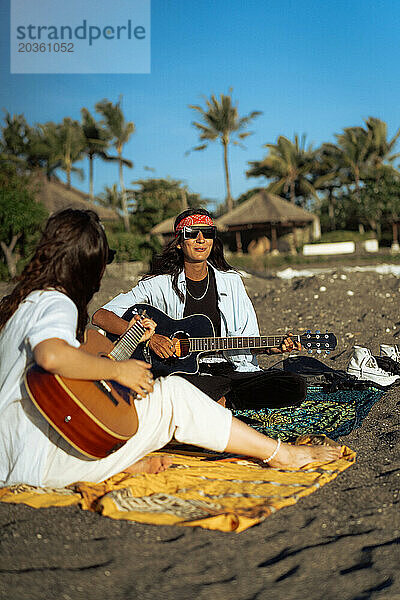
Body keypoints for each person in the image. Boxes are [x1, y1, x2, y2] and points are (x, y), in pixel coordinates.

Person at [0, 209, 341, 488]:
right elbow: (52, 355)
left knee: (285, 384)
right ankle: (282, 455)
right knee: (175, 392)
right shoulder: (60, 302)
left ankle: (129, 459)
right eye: (105, 260)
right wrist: (120, 368)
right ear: (88, 261)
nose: (103, 273)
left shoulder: (24, 301)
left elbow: (55, 368)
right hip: (38, 458)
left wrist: (137, 336)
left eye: (207, 233)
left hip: (20, 451)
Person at [93, 208, 306, 411]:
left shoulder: (231, 282)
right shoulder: (158, 284)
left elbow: (247, 339)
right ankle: (212, 402)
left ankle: (219, 403)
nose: (201, 239)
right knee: (175, 387)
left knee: (293, 385)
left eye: (208, 233)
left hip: (226, 369)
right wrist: (150, 339)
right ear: (178, 242)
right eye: (192, 233)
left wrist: (273, 348)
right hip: (180, 374)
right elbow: (101, 316)